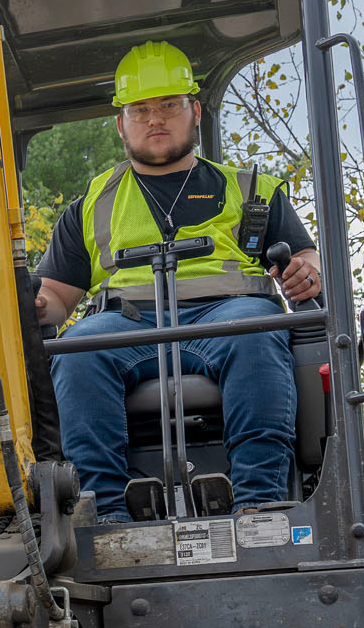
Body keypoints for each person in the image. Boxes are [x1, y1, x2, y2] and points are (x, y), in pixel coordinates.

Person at [32, 42, 322, 519]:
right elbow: (57, 297)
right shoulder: (93, 204)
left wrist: (305, 271)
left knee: (256, 332)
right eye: (140, 109)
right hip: (127, 325)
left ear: (194, 110)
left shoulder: (251, 189)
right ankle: (104, 516)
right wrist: (35, 302)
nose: (155, 119)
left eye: (168, 105)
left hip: (228, 314)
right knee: (77, 350)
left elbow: (305, 255)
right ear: (120, 122)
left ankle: (259, 504)